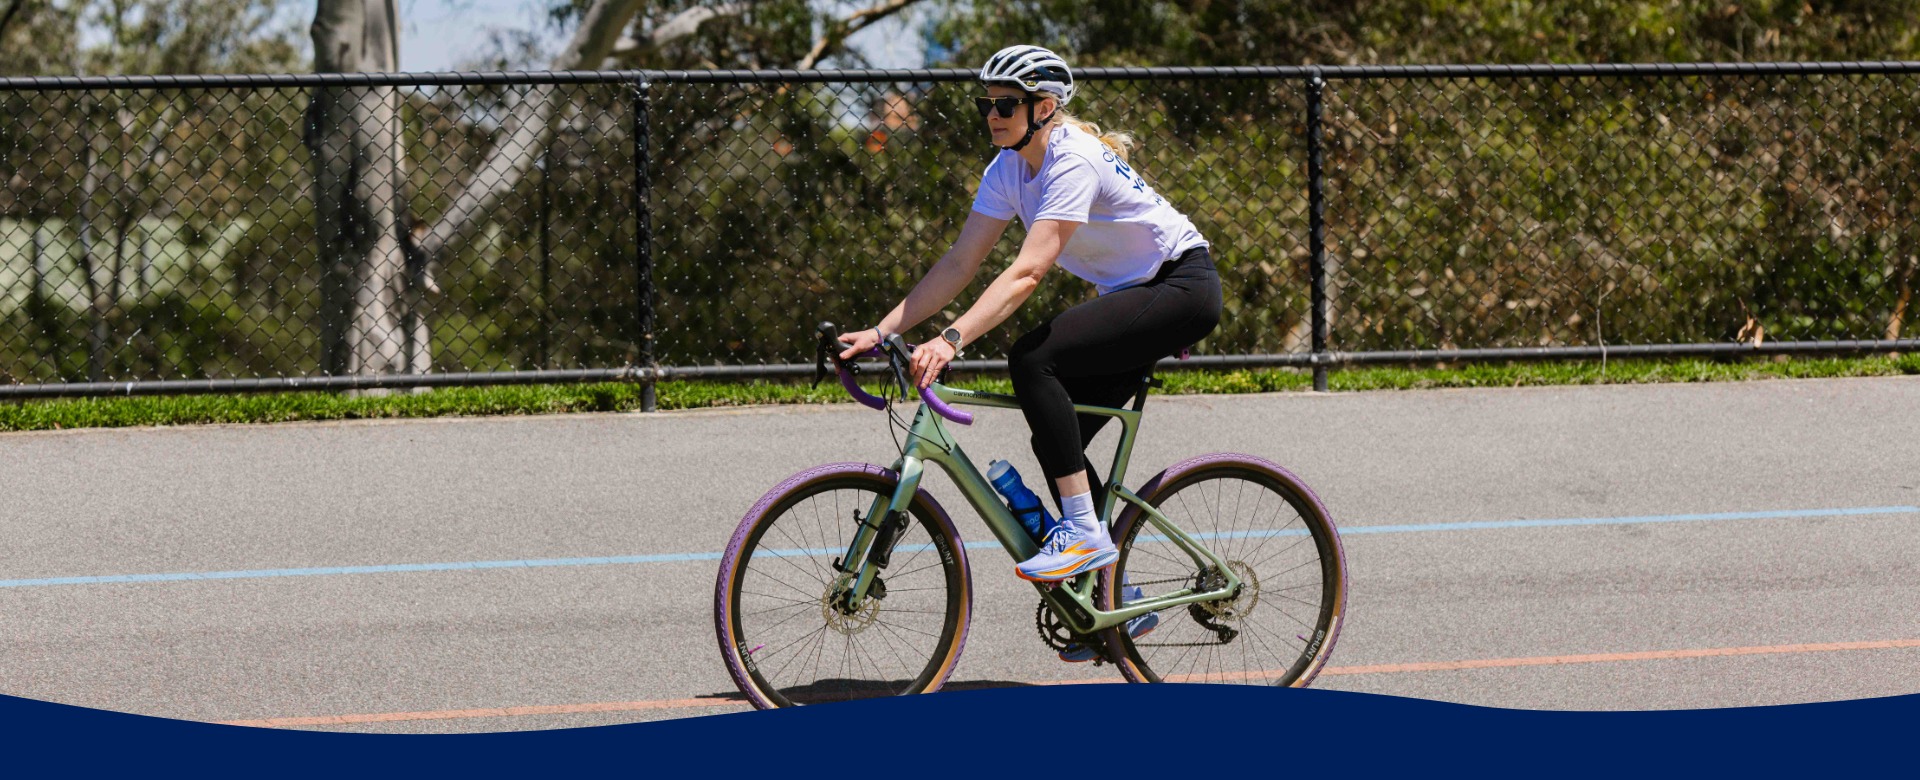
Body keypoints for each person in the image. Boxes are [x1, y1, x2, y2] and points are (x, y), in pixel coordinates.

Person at [837, 45, 1222, 657]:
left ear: (1044, 108)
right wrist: (882, 331)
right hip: (1138, 294)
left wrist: (952, 338)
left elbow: (1028, 272)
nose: (992, 114)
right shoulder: (1008, 168)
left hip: (1180, 287)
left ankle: (1084, 538)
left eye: (1005, 104)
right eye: (986, 104)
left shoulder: (1073, 159)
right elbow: (961, 262)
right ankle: (1109, 606)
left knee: (1032, 358)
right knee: (1055, 433)